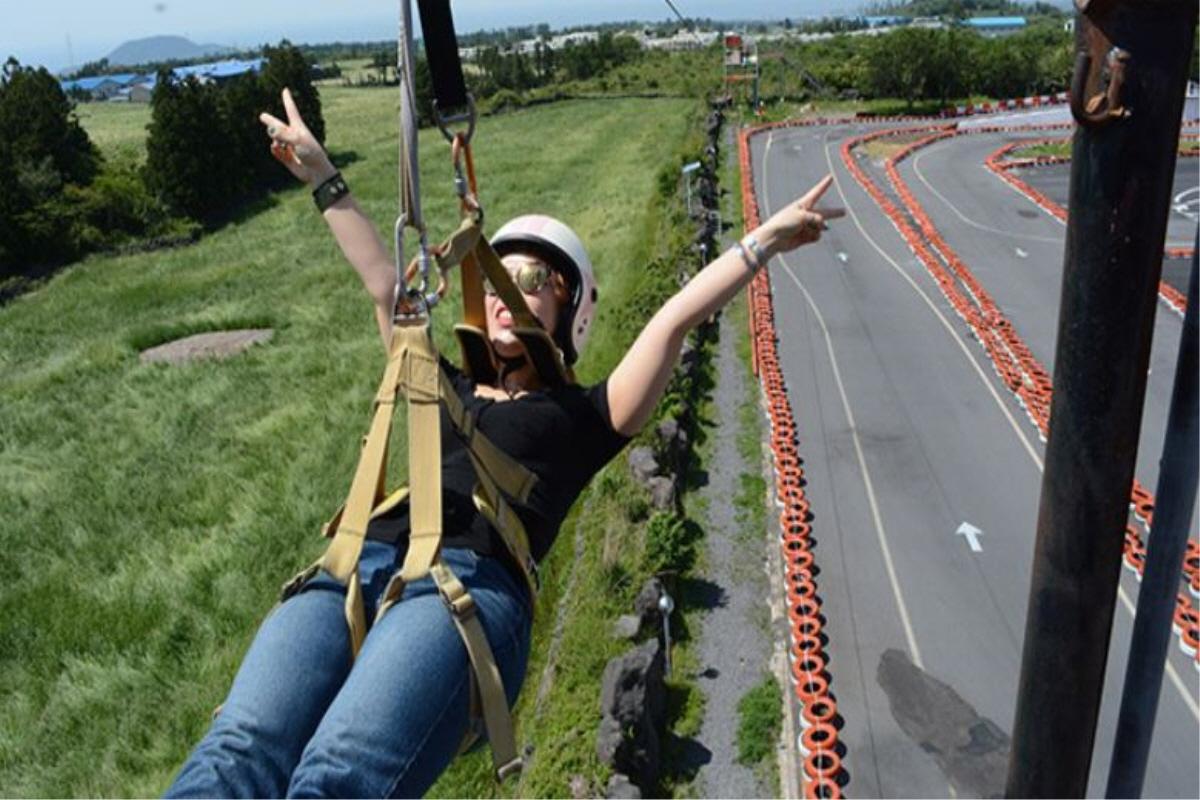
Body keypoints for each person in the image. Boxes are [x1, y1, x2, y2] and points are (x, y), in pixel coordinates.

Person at [164, 88, 843, 799]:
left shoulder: (583, 418)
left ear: (570, 308)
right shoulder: (442, 385)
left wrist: (760, 243)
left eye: (533, 279)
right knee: (234, 753)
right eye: (496, 275)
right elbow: (385, 286)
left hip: (464, 586)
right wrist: (324, 177)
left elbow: (673, 321)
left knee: (336, 775)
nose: (504, 291)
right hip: (355, 560)